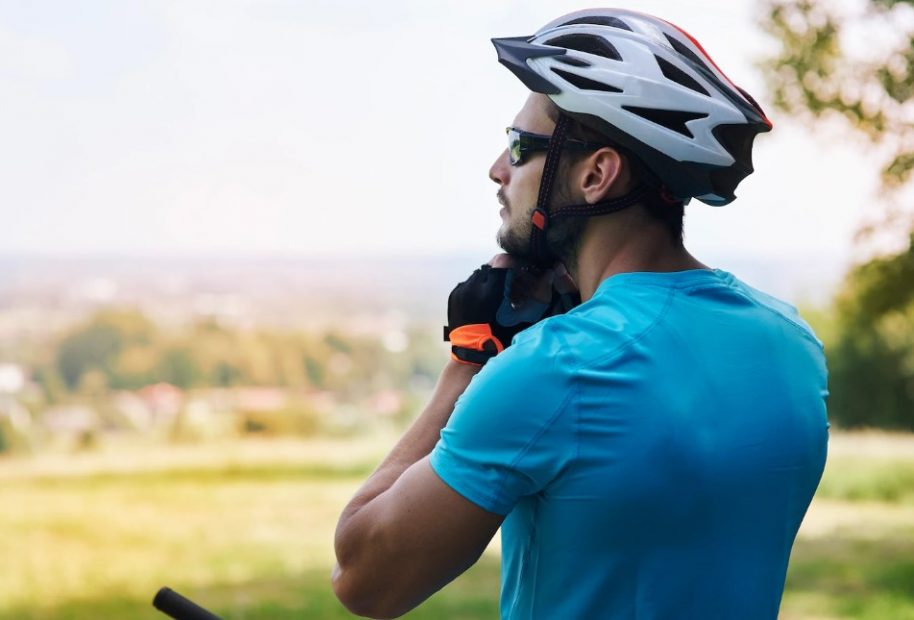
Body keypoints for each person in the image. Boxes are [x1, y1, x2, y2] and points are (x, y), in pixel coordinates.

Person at [332, 8, 829, 619]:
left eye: (520, 146)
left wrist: (469, 361)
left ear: (596, 175)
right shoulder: (792, 344)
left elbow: (365, 577)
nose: (497, 169)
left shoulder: (559, 369)